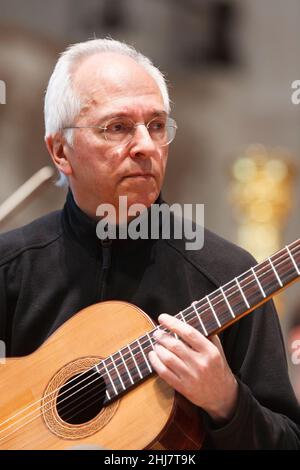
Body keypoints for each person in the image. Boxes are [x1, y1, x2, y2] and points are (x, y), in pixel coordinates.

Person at [0, 38, 299, 450]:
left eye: (157, 126)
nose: (145, 146)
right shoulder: (9, 269)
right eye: (117, 127)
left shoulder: (229, 275)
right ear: (60, 151)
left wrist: (227, 401)